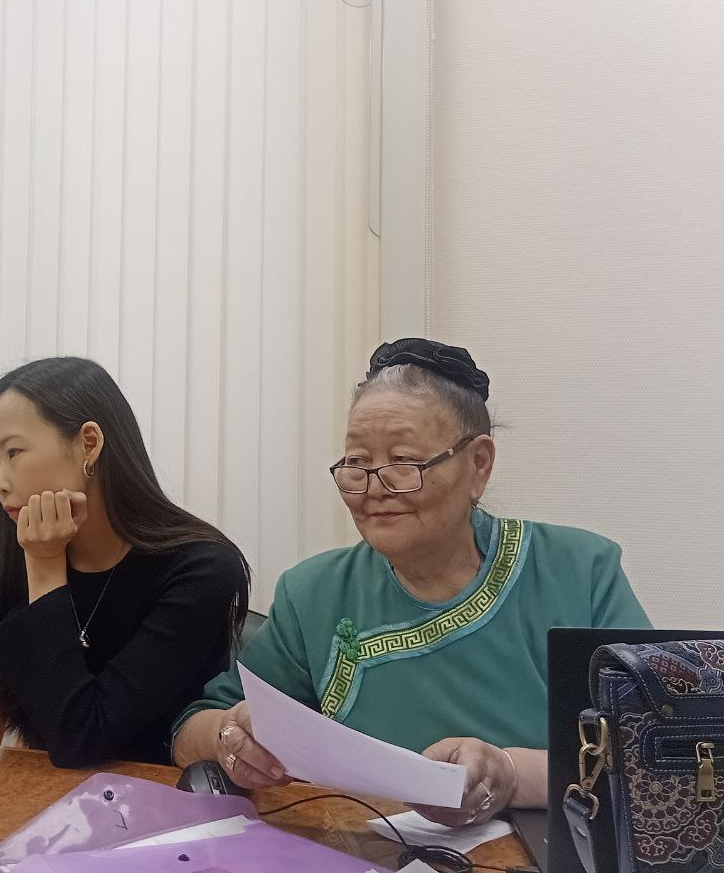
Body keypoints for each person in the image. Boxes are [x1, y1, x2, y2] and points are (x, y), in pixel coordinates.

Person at [172, 338, 650, 826]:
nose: (375, 488)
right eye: (357, 464)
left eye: (404, 463)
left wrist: (510, 773)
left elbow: (656, 752)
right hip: (366, 849)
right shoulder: (313, 593)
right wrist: (230, 736)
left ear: (479, 463)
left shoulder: (579, 571)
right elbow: (192, 727)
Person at [0, 356, 252, 789]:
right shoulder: (3, 560)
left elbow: (82, 739)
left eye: (14, 453)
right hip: (43, 803)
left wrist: (44, 565)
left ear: (88, 444)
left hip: (166, 806)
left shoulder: (200, 569)